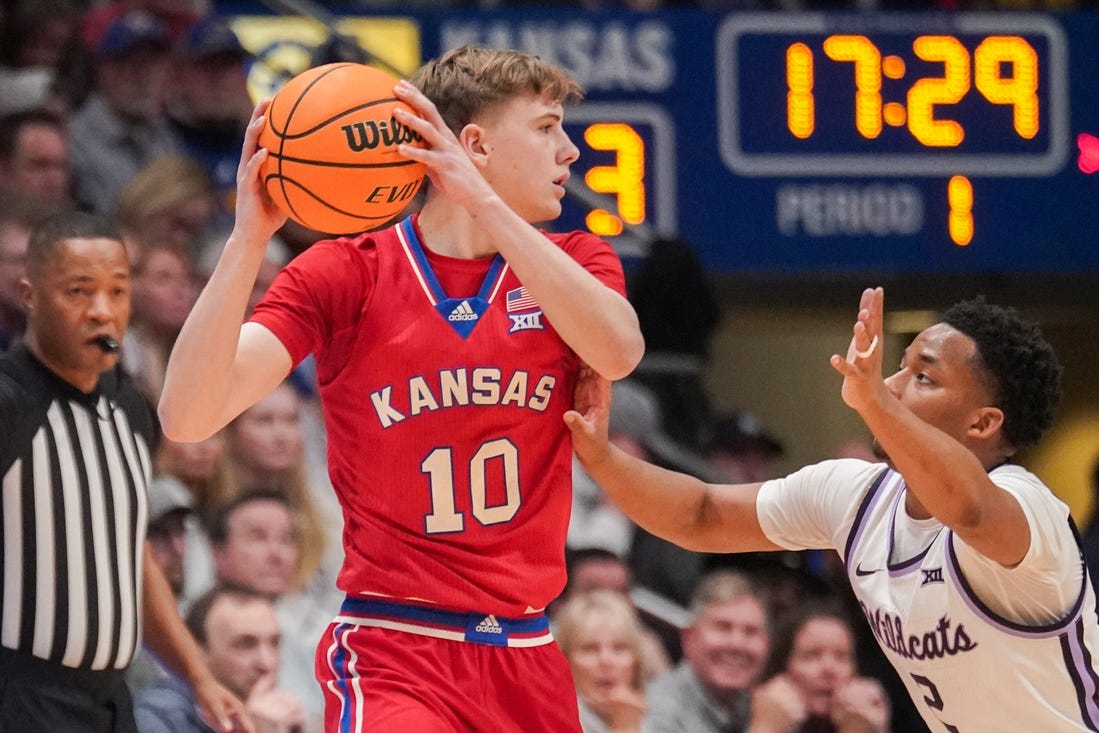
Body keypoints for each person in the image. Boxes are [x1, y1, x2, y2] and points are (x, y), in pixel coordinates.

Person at [159, 44, 644, 731]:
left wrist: (482, 202)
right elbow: (187, 414)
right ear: (472, 143)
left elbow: (619, 350)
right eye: (545, 127)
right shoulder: (344, 273)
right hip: (395, 646)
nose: (568, 150)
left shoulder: (574, 261)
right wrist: (245, 241)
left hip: (527, 649)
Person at [568, 287, 1098, 732]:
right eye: (899, 369)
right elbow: (701, 514)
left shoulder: (1032, 511)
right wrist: (601, 457)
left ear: (982, 424)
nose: (889, 385)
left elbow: (969, 511)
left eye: (923, 378)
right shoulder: (857, 495)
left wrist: (875, 404)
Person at [0, 210, 249, 731]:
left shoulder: (131, 409)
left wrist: (199, 676)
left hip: (112, 701)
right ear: (30, 297)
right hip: (21, 697)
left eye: (117, 292)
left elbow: (131, 559)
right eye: (78, 292)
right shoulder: (9, 403)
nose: (101, 311)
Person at [134, 584, 307, 733]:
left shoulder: (280, 714)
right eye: (246, 645)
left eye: (274, 643)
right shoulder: (159, 713)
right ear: (198, 651)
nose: (266, 662)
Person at [644, 570, 771, 733]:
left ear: (767, 645)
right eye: (723, 627)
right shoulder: (655, 712)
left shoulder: (762, 707)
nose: (737, 644)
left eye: (751, 632)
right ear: (689, 638)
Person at [749, 602, 890, 733]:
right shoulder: (747, 714)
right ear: (783, 666)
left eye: (841, 657)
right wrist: (765, 728)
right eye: (811, 656)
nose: (829, 670)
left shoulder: (869, 720)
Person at [555, 589, 651, 733]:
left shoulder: (649, 719)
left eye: (619, 648)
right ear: (564, 661)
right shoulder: (550, 723)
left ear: (636, 661)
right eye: (590, 649)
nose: (606, 661)